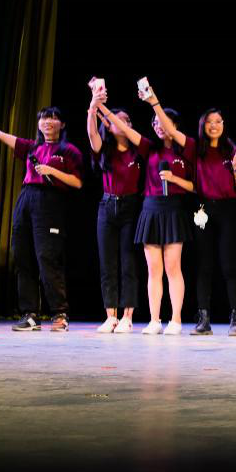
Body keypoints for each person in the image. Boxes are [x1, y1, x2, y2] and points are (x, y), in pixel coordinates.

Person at [0, 106, 83, 331]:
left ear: (62, 124)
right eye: (44, 118)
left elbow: (77, 182)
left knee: (47, 257)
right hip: (26, 198)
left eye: (53, 118)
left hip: (50, 201)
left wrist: (52, 171)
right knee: (23, 257)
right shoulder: (31, 146)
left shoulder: (69, 150)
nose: (48, 122)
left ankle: (60, 314)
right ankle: (30, 314)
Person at [87, 87, 149, 334]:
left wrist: (103, 110)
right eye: (117, 119)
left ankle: (127, 316)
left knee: (128, 261)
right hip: (107, 206)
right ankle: (110, 315)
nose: (123, 123)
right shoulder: (105, 150)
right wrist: (93, 107)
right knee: (107, 262)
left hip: (131, 206)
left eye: (127, 120)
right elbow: (92, 133)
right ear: (109, 126)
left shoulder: (138, 150)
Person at [136, 84, 196, 335]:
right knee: (153, 270)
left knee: (173, 268)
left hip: (174, 210)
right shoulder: (149, 148)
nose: (158, 126)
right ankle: (154, 320)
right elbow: (127, 131)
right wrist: (98, 108)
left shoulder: (187, 148)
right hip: (150, 209)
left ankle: (176, 319)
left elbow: (194, 186)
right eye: (155, 123)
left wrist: (173, 179)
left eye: (163, 122)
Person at [190, 107, 236, 336]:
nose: (214, 125)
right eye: (210, 121)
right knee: (204, 264)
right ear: (203, 125)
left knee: (229, 264)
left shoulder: (233, 150)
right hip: (202, 208)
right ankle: (203, 319)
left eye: (218, 121)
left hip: (228, 209)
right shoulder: (196, 150)